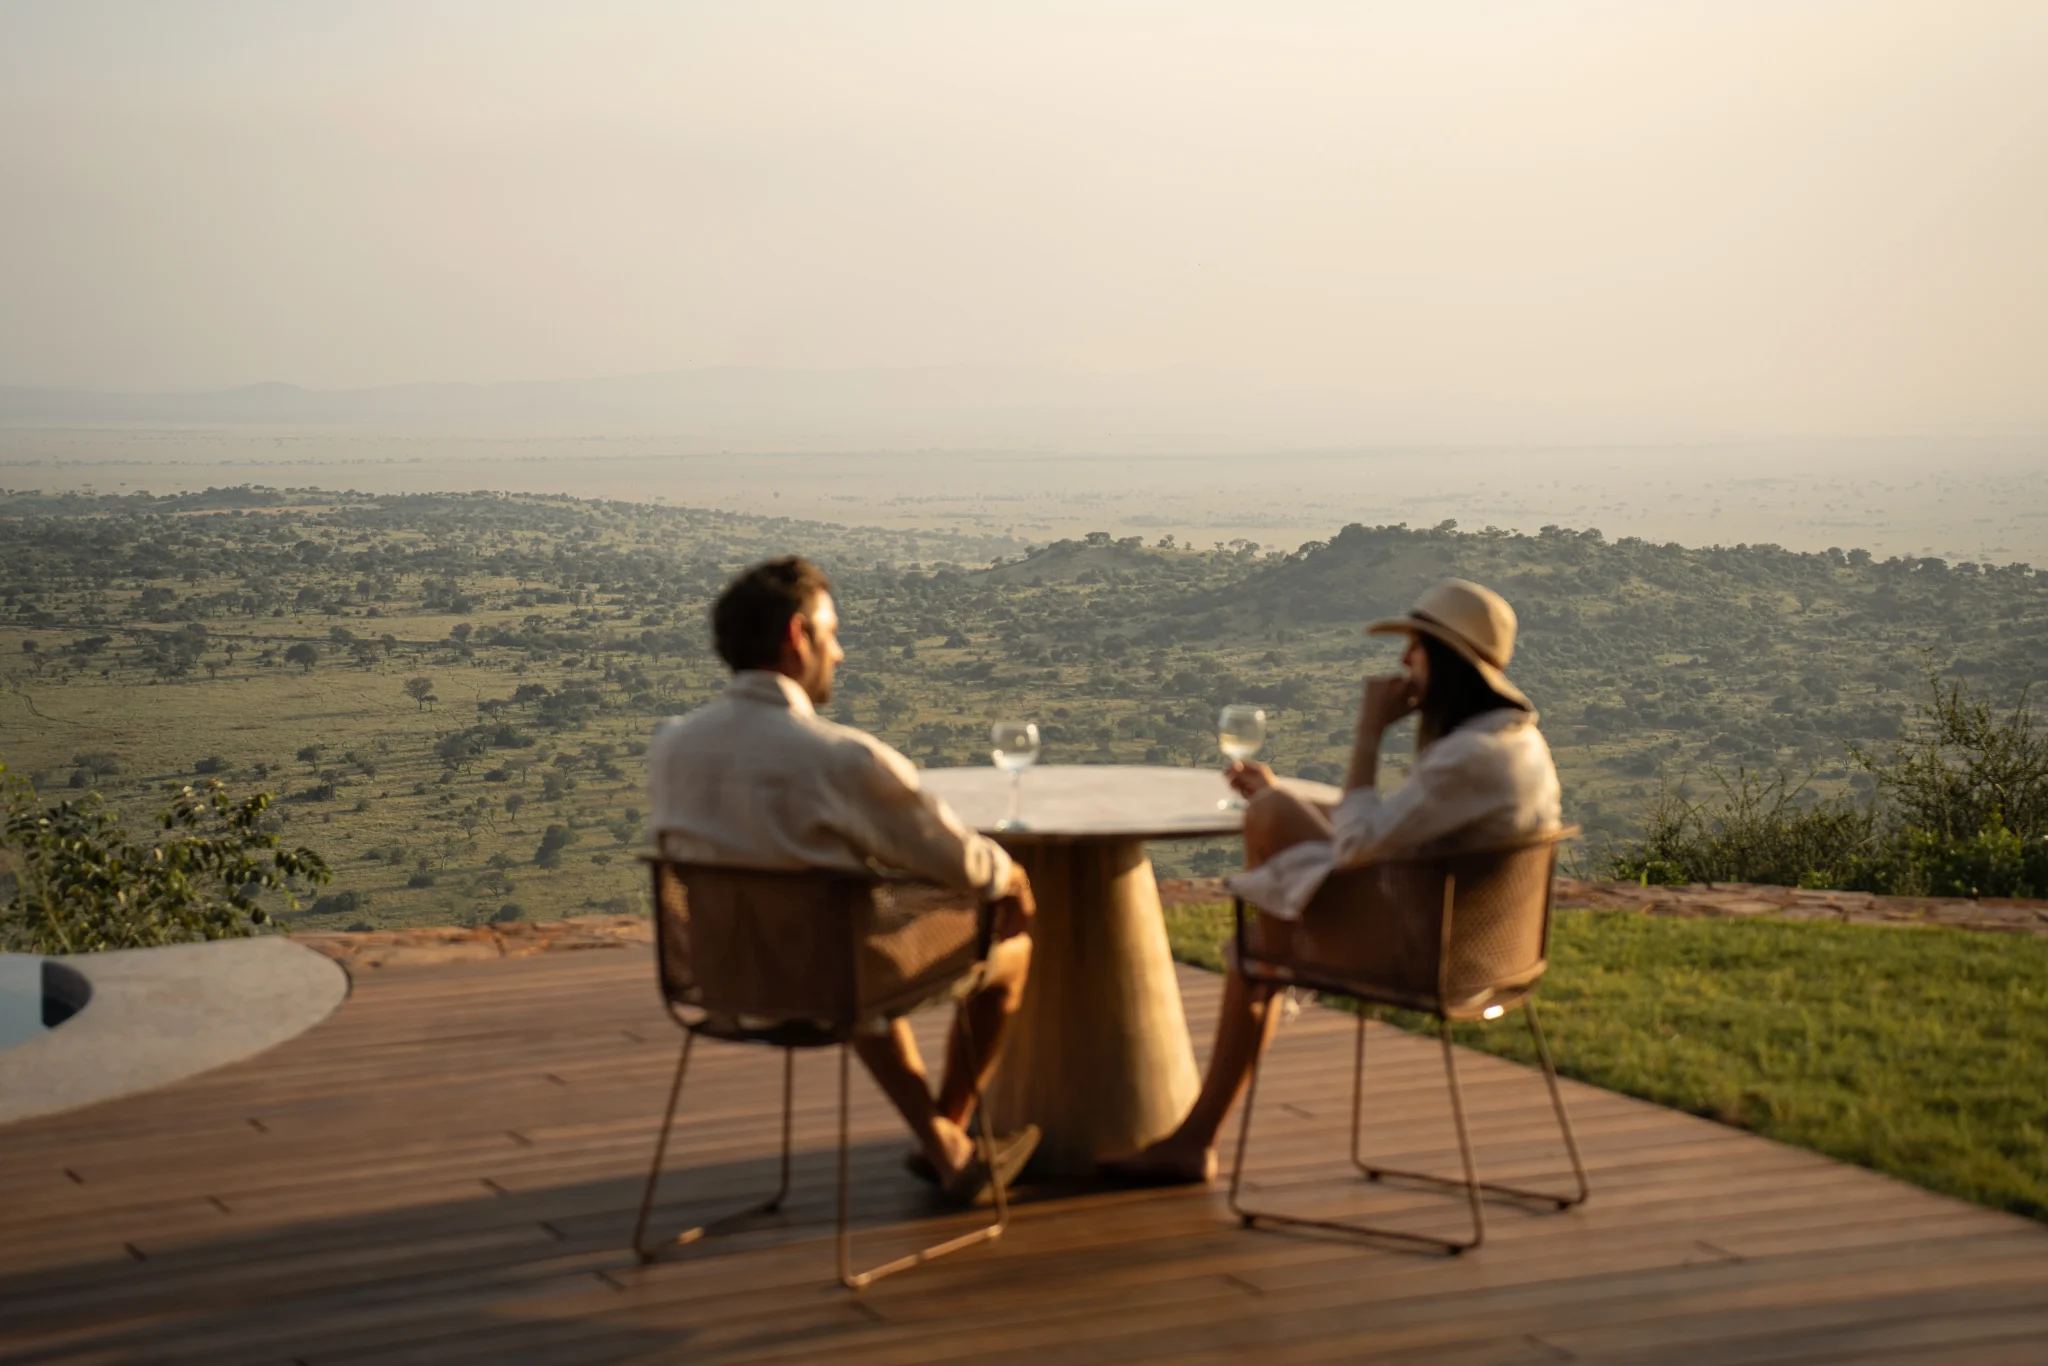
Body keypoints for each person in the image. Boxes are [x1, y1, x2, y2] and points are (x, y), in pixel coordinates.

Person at [1103, 578, 1562, 1185]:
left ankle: (1200, 1127)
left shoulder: (1466, 760)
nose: (1402, 663)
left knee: (1256, 935)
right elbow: (1381, 833)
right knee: (1275, 808)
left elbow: (1355, 845)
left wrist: (1368, 733)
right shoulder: (1516, 745)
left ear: (1447, 662)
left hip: (1425, 959)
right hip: (1484, 953)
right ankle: (1265, 964)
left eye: (1415, 649)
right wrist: (1282, 800)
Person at [647, 555, 1040, 1203]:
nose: (841, 652)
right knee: (1010, 950)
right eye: (832, 634)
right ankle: (950, 1136)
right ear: (798, 636)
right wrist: (1013, 877)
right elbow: (961, 863)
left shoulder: (672, 745)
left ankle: (945, 1148)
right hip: (833, 988)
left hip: (716, 980)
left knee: (853, 947)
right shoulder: (839, 759)